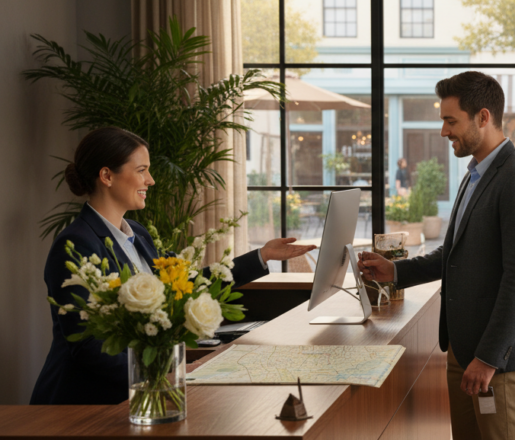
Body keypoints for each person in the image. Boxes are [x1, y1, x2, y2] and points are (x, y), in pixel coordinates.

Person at [358, 71, 515, 440]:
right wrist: (396, 271)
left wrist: (488, 357)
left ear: (483, 118)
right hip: (463, 346)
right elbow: (454, 255)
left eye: (450, 120)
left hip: (495, 356)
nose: (443, 131)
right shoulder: (474, 176)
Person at [31, 127, 316, 406]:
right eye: (141, 170)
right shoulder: (77, 244)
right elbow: (89, 347)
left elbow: (184, 289)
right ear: (106, 175)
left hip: (142, 395)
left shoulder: (138, 234)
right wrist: (163, 377)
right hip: (86, 407)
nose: (151, 180)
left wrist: (262, 256)